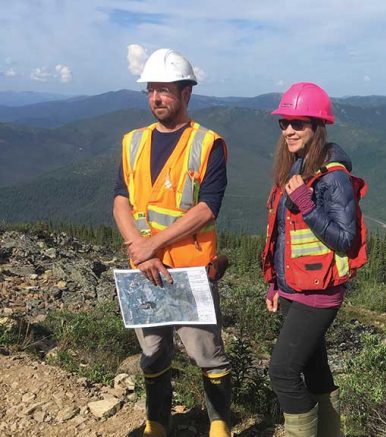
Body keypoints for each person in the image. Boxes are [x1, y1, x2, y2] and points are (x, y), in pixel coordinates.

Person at [112, 48, 231, 437]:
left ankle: (219, 427)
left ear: (186, 95)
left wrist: (152, 245)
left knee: (207, 354)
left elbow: (207, 209)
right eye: (151, 90)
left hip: (190, 271)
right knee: (152, 353)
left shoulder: (207, 143)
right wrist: (139, 249)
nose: (156, 98)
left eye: (164, 90)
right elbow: (120, 200)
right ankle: (157, 424)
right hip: (144, 272)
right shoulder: (132, 142)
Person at [262, 82, 357, 437]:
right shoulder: (297, 167)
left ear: (317, 127)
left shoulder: (332, 178)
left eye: (298, 123)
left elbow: (345, 240)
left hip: (318, 293)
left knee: (282, 372)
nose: (288, 129)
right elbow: (284, 236)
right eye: (284, 123)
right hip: (293, 289)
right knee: (316, 371)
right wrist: (275, 283)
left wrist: (305, 201)